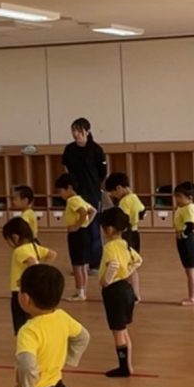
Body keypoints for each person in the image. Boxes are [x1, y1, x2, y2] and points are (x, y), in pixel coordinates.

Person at [97, 208, 142, 378]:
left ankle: (123, 368)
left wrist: (106, 281)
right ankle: (128, 366)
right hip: (126, 288)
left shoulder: (110, 247)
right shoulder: (125, 244)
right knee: (123, 330)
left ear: (108, 229)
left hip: (114, 292)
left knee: (118, 332)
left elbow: (113, 265)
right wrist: (126, 272)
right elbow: (138, 260)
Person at [61, 118, 107, 274]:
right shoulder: (69, 149)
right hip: (76, 194)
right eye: (73, 130)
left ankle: (95, 264)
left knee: (93, 228)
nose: (76, 134)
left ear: (87, 132)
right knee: (78, 229)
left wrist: (94, 185)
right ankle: (80, 264)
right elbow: (67, 169)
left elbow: (102, 173)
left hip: (92, 193)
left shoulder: (96, 149)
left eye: (79, 131)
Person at [3, 217, 57, 334]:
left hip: (20, 292)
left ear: (15, 237)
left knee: (22, 327)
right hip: (32, 292)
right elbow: (52, 254)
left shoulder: (19, 251)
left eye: (8, 240)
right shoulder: (34, 246)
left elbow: (32, 262)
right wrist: (42, 271)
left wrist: (34, 277)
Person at [55, 173, 97, 302]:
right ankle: (82, 291)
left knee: (77, 265)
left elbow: (83, 212)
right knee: (83, 265)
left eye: (60, 191)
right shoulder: (80, 199)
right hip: (84, 233)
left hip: (77, 235)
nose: (60, 195)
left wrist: (77, 226)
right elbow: (93, 211)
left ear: (69, 187)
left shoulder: (72, 200)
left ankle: (79, 293)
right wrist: (86, 224)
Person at [105, 172, 145, 301]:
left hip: (126, 235)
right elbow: (142, 212)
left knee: (125, 265)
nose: (112, 196)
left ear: (119, 188)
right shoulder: (134, 197)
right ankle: (136, 293)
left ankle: (130, 293)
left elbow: (122, 220)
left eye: (112, 193)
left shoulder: (124, 201)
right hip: (135, 233)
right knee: (132, 265)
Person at [174, 181, 194, 306]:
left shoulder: (189, 207)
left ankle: (193, 298)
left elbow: (190, 225)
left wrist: (183, 235)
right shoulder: (183, 207)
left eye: (180, 196)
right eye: (176, 196)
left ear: (189, 197)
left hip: (188, 241)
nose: (177, 199)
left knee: (192, 271)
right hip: (183, 240)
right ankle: (193, 296)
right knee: (191, 270)